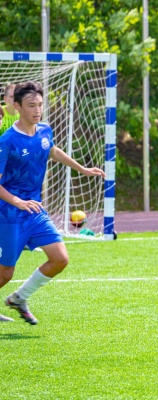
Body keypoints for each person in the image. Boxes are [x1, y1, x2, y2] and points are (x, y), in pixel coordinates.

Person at [0, 81, 106, 324]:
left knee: (60, 258)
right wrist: (17, 201)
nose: (37, 110)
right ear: (17, 106)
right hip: (9, 214)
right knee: (5, 273)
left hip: (35, 211)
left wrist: (82, 169)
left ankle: (19, 298)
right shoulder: (7, 141)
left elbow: (52, 150)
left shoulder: (45, 130)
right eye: (31, 105)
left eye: (40, 104)